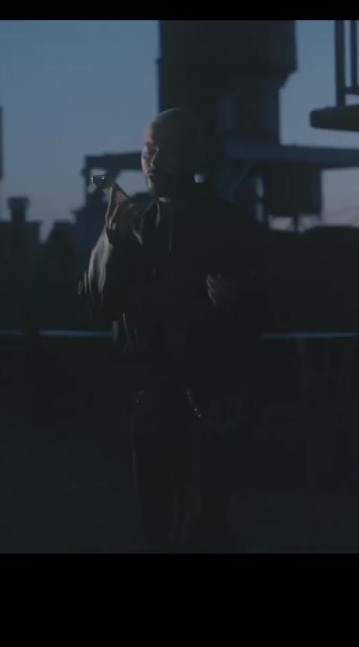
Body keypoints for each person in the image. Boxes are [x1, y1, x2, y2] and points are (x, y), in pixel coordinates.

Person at [78, 108, 268, 551]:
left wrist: (239, 301)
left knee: (204, 526)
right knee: (156, 525)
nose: (154, 160)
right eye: (148, 149)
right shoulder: (135, 226)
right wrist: (110, 240)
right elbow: (98, 306)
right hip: (153, 399)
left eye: (166, 149)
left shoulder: (231, 226)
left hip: (210, 401)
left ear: (193, 156)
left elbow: (271, 306)